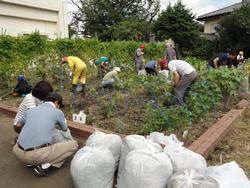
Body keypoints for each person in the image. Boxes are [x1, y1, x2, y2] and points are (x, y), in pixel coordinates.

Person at [12, 93, 78, 176]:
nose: (59, 107)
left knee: (46, 137)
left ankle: (31, 162)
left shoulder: (31, 110)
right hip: (35, 156)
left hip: (17, 151)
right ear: (57, 102)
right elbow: (64, 129)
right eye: (59, 105)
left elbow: (17, 125)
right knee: (74, 144)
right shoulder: (57, 112)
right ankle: (45, 166)